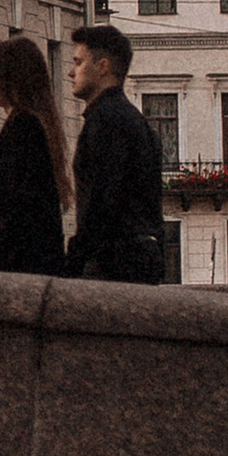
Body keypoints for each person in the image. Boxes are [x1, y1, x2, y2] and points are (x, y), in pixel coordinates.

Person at [0, 35, 73, 274]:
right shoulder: (33, 125)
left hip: (10, 271)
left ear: (11, 78)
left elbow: (11, 202)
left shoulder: (24, 127)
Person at [66, 23, 169, 282]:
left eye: (78, 63)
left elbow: (101, 200)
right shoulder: (133, 119)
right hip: (139, 255)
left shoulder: (105, 121)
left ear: (103, 67)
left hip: (112, 262)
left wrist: (75, 261)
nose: (70, 72)